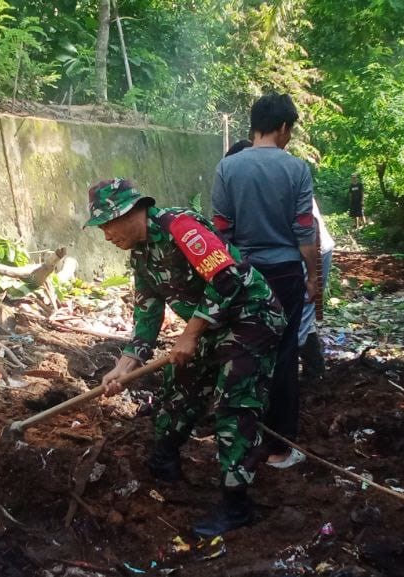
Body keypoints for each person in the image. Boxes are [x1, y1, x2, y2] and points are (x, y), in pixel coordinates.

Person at [87, 179, 286, 537]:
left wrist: (190, 334)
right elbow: (147, 314)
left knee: (234, 405)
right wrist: (123, 367)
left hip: (251, 317)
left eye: (106, 225)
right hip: (210, 325)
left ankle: (236, 505)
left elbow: (227, 277)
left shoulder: (181, 226)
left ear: (130, 212)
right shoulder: (141, 255)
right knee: (179, 388)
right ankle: (164, 461)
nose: (105, 236)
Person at [211, 94, 318, 469]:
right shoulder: (297, 169)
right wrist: (313, 279)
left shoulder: (228, 168)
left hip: (244, 275)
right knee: (285, 357)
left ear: (253, 124)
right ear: (284, 127)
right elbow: (304, 231)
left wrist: (225, 278)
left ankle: (240, 436)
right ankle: (278, 448)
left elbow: (221, 230)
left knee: (245, 354)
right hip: (286, 273)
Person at [298, 200, 335, 379]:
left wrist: (313, 277)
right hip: (308, 247)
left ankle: (297, 380)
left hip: (311, 249)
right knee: (303, 314)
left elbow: (307, 228)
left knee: (302, 311)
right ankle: (315, 370)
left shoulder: (288, 180)